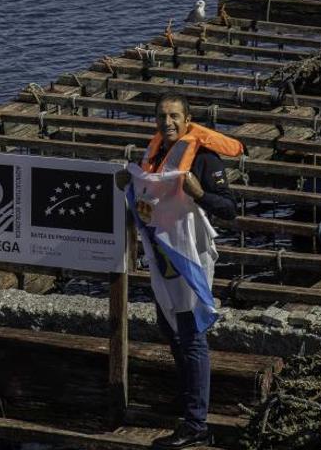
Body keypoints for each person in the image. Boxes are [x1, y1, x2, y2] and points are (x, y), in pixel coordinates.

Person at [119, 93, 241, 449]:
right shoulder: (154, 154)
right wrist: (126, 185)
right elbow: (147, 201)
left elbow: (229, 209)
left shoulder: (204, 158)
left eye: (174, 116)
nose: (167, 123)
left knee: (190, 337)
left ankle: (196, 423)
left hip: (189, 260)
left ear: (189, 120)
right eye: (161, 116)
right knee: (170, 330)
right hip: (162, 257)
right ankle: (187, 401)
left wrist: (199, 192)